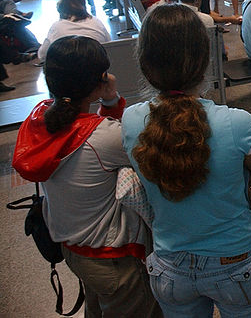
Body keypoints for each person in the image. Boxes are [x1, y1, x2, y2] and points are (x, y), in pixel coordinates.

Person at [122, 4, 251, 317]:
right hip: (236, 265)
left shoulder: (131, 120)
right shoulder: (238, 123)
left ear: (145, 61)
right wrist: (250, 176)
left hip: (170, 268)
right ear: (204, 59)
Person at [13, 36, 161, 317]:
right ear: (96, 81)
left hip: (74, 249)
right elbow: (146, 155)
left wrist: (108, 100)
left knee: (98, 305)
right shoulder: (103, 137)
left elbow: (94, 136)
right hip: (110, 257)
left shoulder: (39, 119)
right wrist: (113, 99)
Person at [38, 0, 110, 61]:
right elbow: (109, 47)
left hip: (66, 70)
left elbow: (42, 55)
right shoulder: (97, 23)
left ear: (61, 6)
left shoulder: (56, 27)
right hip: (96, 68)